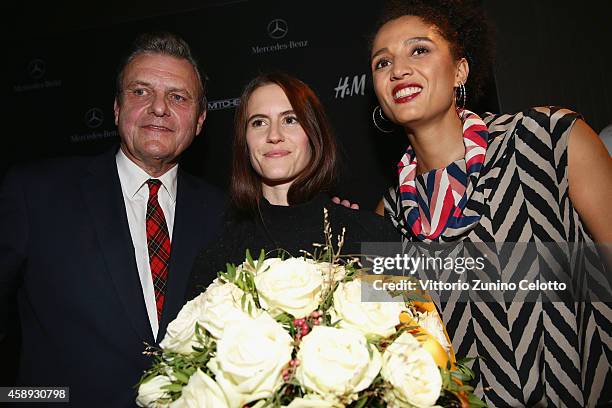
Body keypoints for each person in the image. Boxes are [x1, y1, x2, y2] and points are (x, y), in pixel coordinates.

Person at [368, 0, 612, 406]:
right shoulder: (388, 216)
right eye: (382, 63)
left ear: (460, 70)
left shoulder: (549, 138)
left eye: (419, 50)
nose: (399, 69)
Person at [0, 32, 225, 406]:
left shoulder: (225, 212)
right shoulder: (34, 193)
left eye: (178, 97)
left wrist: (349, 228)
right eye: (140, 91)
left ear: (200, 120)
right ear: (117, 109)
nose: (158, 108)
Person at [187, 72, 400, 299]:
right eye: (259, 123)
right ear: (245, 142)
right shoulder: (219, 254)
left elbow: (421, 327)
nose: (274, 135)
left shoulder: (372, 235)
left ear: (313, 133)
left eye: (290, 120)